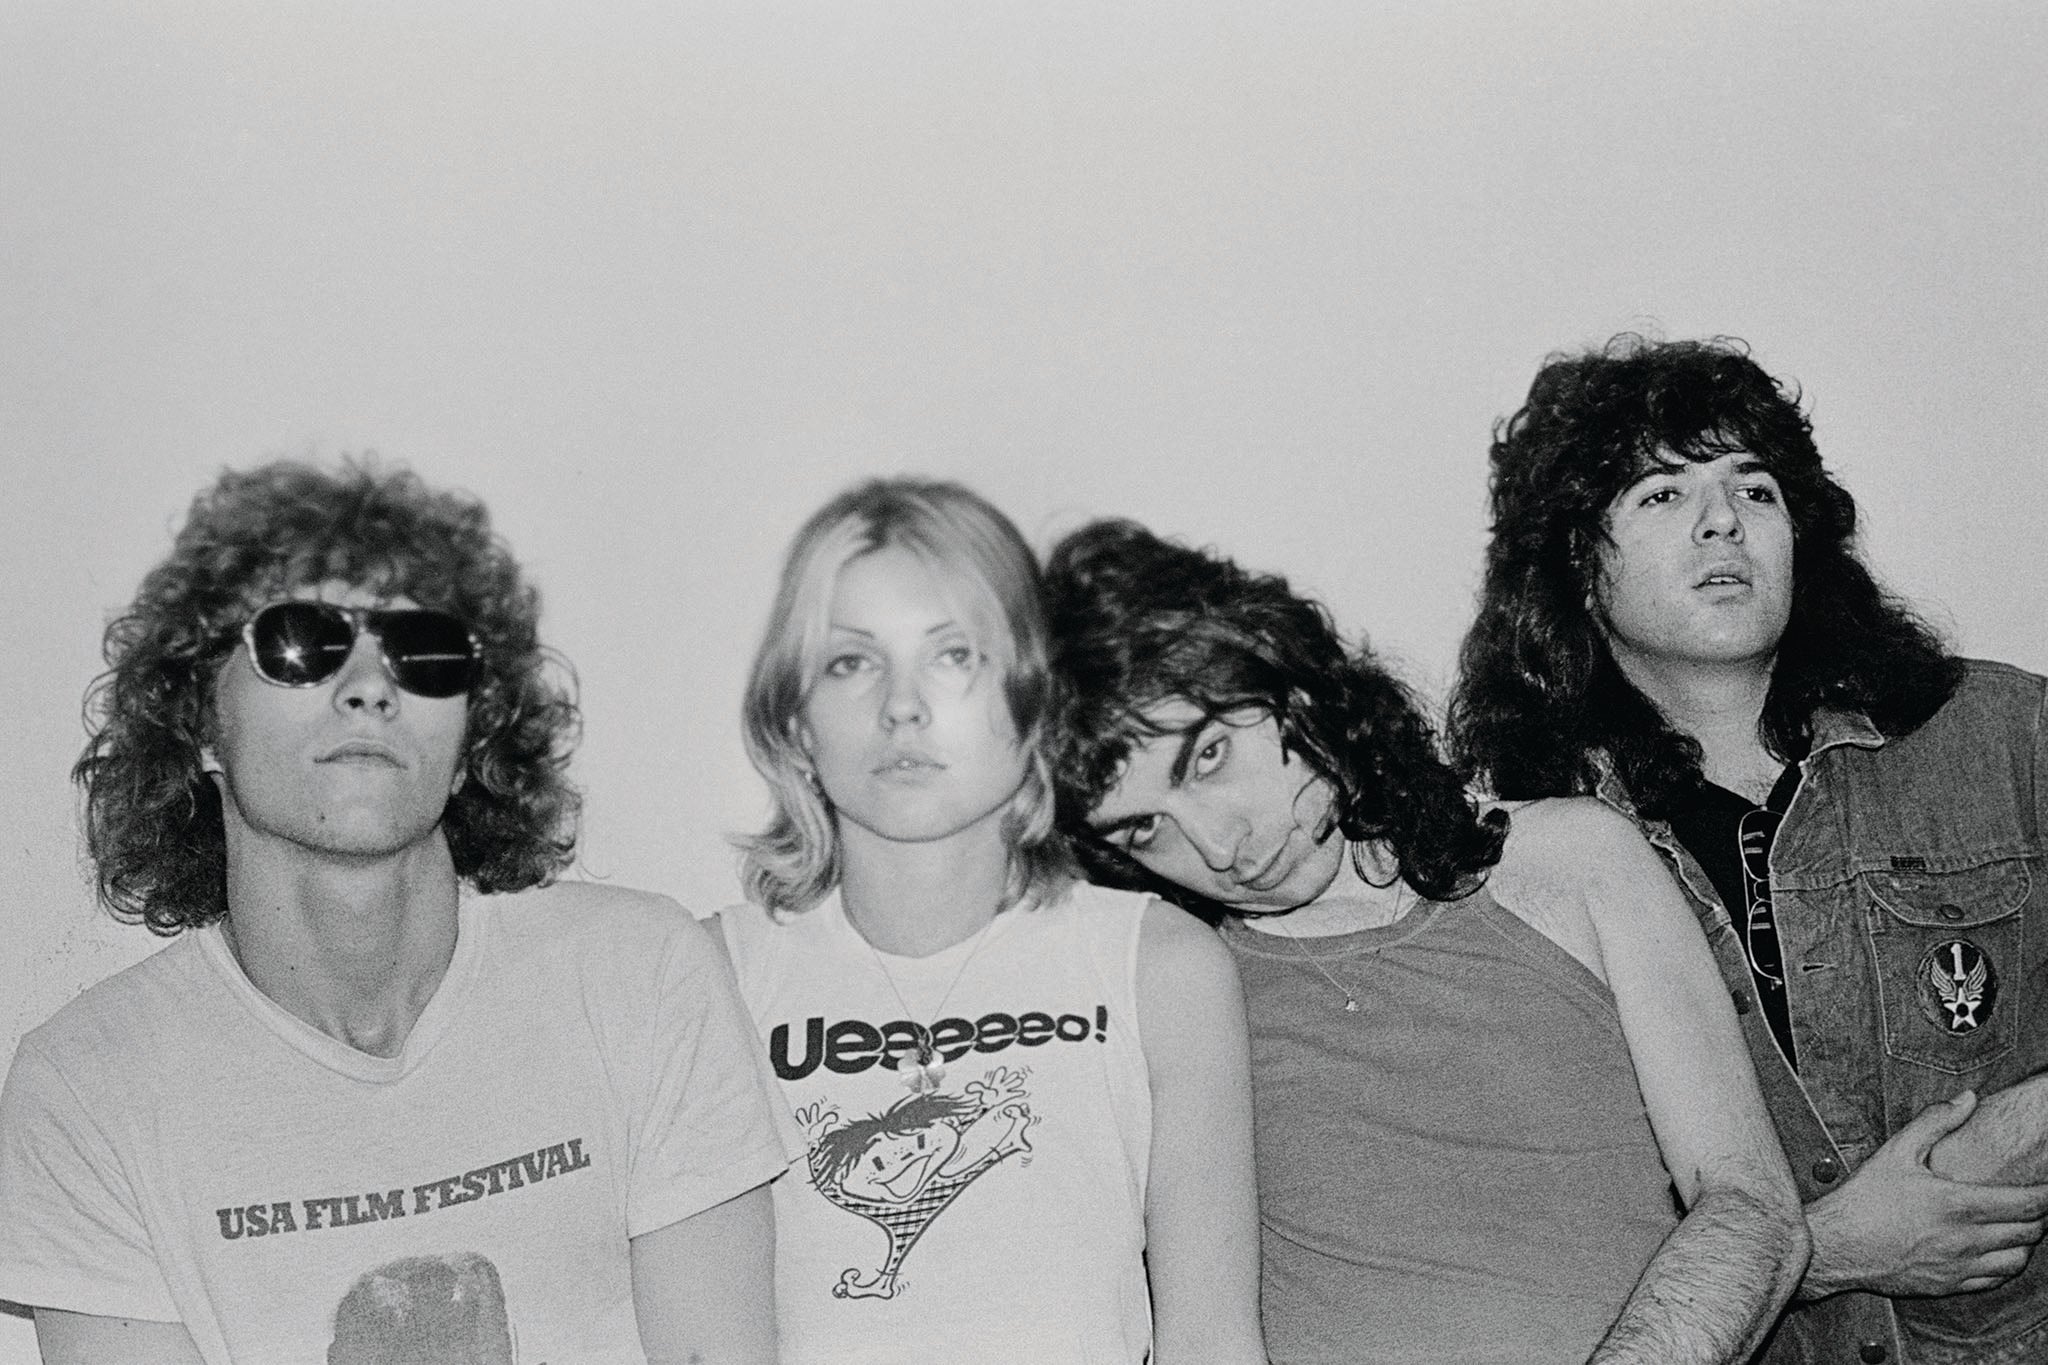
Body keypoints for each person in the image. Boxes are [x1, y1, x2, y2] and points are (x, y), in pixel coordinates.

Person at [0, 460, 789, 1365]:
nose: (372, 687)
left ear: (466, 745)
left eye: (424, 654)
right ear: (201, 725)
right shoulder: (89, 1085)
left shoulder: (639, 972)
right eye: (301, 643)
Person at [1045, 517, 1808, 1365]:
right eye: (1146, 827)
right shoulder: (1174, 986)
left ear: (1286, 681)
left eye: (1210, 755)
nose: (1219, 845)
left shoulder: (1571, 859)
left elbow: (1751, 1206)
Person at [1448, 333, 2048, 1365]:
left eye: (1754, 489)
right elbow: (1525, 1221)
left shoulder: (2002, 735)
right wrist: (1818, 1251)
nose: (1721, 518)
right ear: (1575, 570)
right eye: (1659, 495)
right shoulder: (1520, 856)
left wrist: (2021, 1127)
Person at [715, 478, 1264, 1365]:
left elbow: (1214, 1340)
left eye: (954, 655)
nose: (902, 705)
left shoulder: (1160, 965)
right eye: (851, 661)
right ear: (796, 717)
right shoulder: (711, 977)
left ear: (1033, 699)